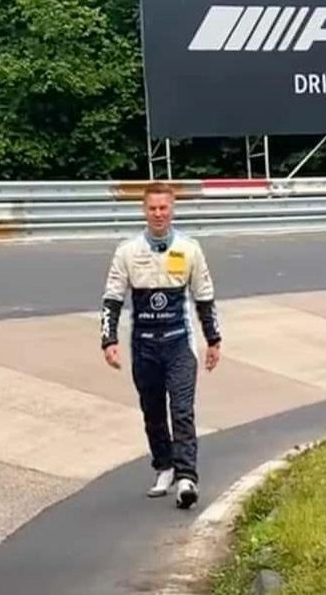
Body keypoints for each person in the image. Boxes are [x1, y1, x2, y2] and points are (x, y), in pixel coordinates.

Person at [99, 181, 222, 510]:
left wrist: (213, 340)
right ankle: (164, 467)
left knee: (181, 412)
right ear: (144, 210)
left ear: (172, 209)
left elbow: (205, 296)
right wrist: (108, 341)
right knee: (152, 412)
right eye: (152, 208)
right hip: (143, 345)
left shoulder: (189, 248)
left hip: (179, 343)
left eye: (163, 208)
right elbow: (111, 298)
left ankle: (187, 478)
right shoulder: (127, 250)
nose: (158, 214)